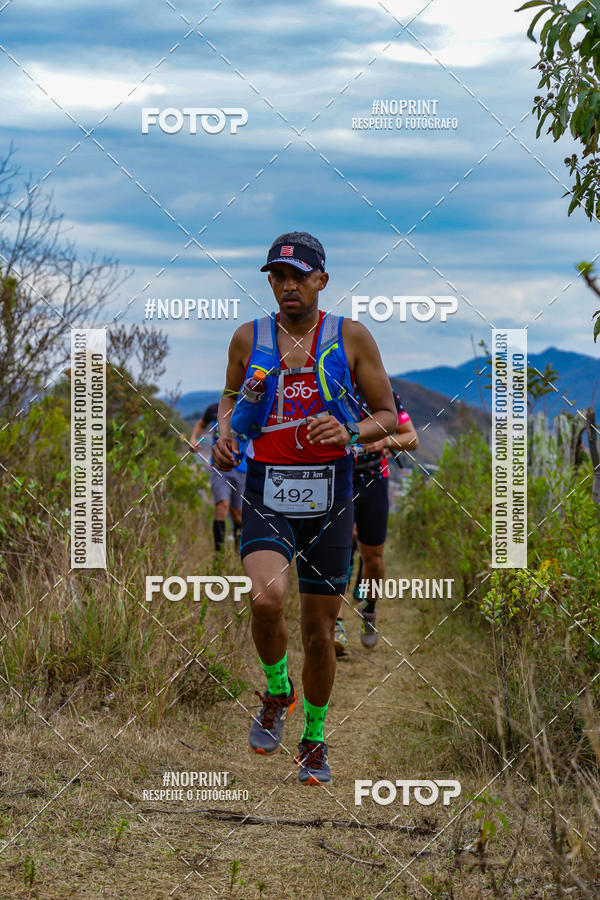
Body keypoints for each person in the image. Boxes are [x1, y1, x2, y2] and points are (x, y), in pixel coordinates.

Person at [212, 231, 397, 784]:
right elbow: (228, 394)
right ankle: (276, 690)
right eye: (277, 276)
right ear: (269, 281)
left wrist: (348, 430)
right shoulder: (249, 337)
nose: (287, 286)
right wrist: (225, 432)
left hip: (331, 493)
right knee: (266, 600)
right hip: (268, 486)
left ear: (321, 279)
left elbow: (388, 415)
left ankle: (313, 739)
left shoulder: (352, 337)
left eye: (298, 276)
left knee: (320, 636)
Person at [333, 389, 418, 654]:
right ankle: (335, 623)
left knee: (374, 558)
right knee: (337, 551)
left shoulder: (382, 392)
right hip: (337, 477)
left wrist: (383, 442)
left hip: (374, 479)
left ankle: (369, 610)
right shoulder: (327, 386)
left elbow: (412, 438)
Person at [191, 402, 246, 554]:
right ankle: (219, 555)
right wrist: (194, 439)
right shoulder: (215, 409)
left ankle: (238, 552)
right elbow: (201, 424)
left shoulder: (249, 407)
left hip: (242, 469)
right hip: (219, 468)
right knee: (221, 506)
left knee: (238, 515)